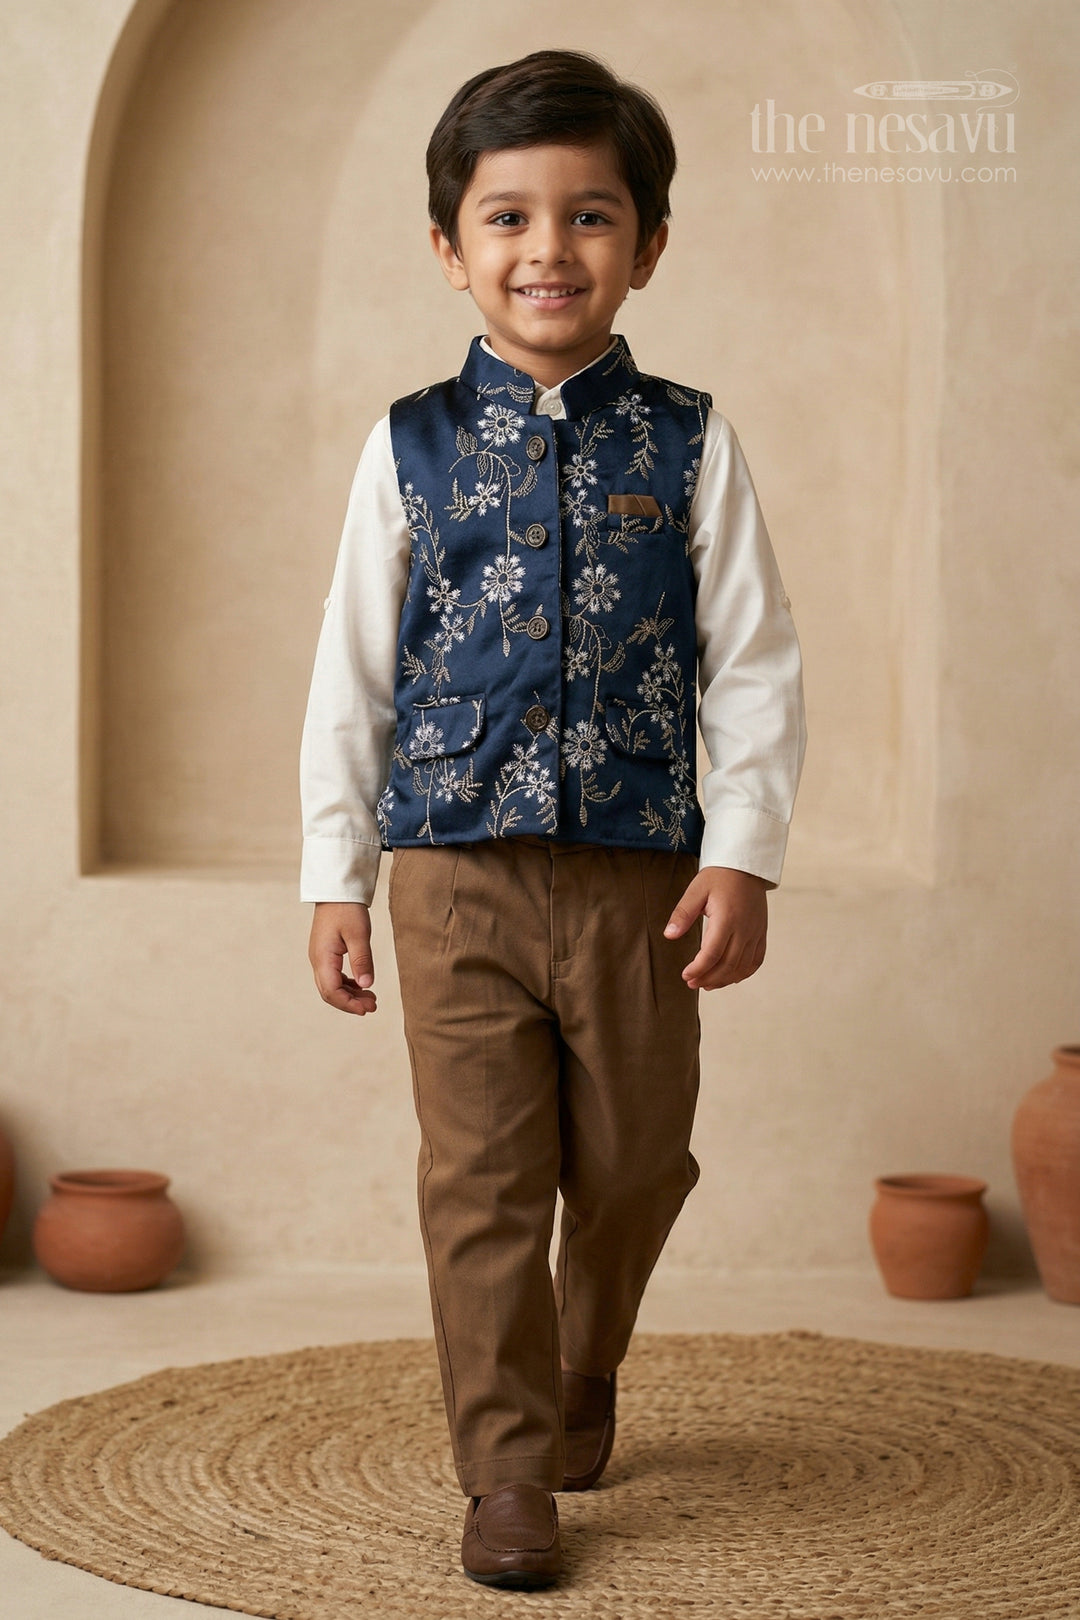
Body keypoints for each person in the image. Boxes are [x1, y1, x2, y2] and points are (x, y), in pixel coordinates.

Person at [300, 48, 806, 1590]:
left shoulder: (693, 442)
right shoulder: (408, 446)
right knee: (483, 1180)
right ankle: (508, 1470)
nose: (548, 249)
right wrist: (334, 875)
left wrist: (743, 853)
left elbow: (755, 661)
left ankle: (589, 1363)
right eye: (508, 217)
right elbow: (352, 670)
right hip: (452, 874)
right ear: (449, 246)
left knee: (639, 1162)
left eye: (591, 216)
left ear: (648, 245)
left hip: (642, 878)